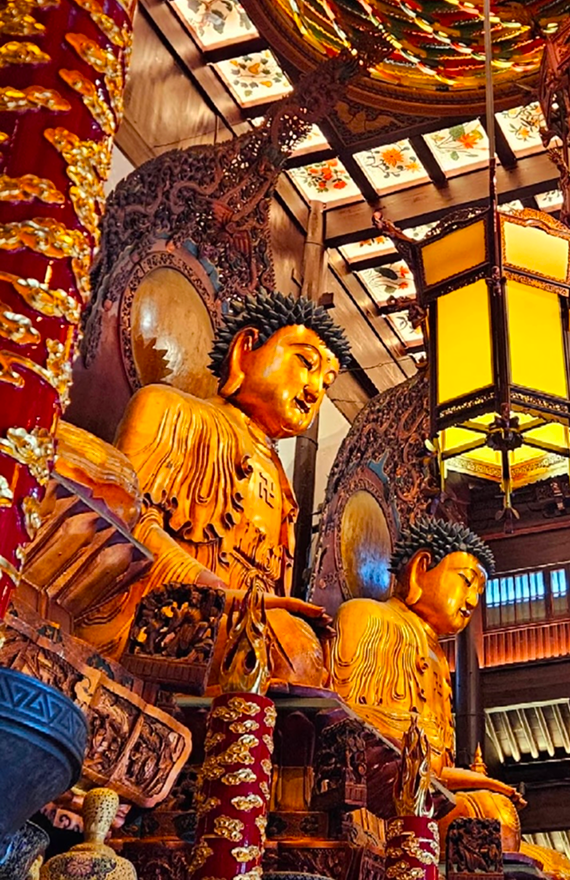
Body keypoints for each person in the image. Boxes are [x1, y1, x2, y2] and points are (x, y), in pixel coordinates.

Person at [81, 289, 350, 688]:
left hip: (244, 629)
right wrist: (229, 598)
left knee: (303, 658)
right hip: (166, 617)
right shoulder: (172, 412)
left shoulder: (283, 486)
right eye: (305, 363)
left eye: (326, 383)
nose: (314, 390)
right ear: (245, 349)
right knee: (281, 650)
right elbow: (129, 527)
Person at [331, 517, 539, 854]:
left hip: (424, 800)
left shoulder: (440, 660)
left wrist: (480, 780)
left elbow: (435, 769)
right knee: (489, 816)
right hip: (374, 803)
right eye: (466, 581)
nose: (472, 600)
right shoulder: (366, 617)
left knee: (548, 860)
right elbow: (347, 731)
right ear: (420, 568)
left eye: (479, 592)